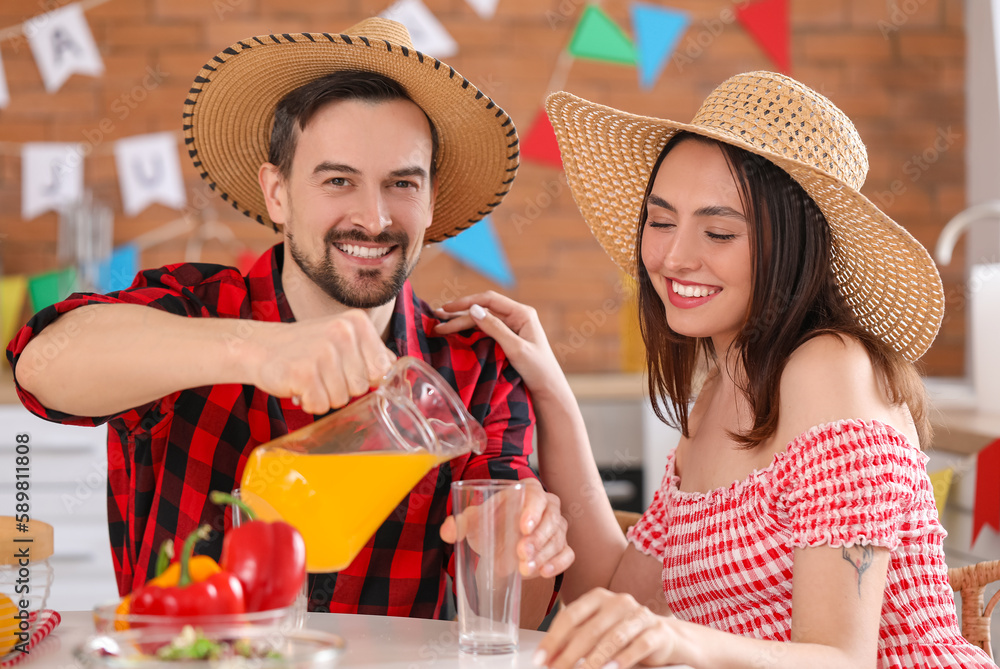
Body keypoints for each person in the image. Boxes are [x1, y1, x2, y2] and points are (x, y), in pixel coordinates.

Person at [6, 18, 572, 625]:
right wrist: (254, 350)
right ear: (277, 194)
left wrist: (519, 538)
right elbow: (40, 366)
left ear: (431, 199)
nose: (374, 218)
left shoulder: (473, 364)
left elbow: (518, 612)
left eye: (401, 183)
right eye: (338, 180)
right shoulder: (197, 308)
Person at [435, 71, 997, 667]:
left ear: (794, 246)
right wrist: (550, 389)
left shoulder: (829, 369)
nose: (675, 257)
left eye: (719, 231)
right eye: (661, 220)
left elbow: (842, 659)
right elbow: (612, 593)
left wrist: (684, 640)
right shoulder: (718, 391)